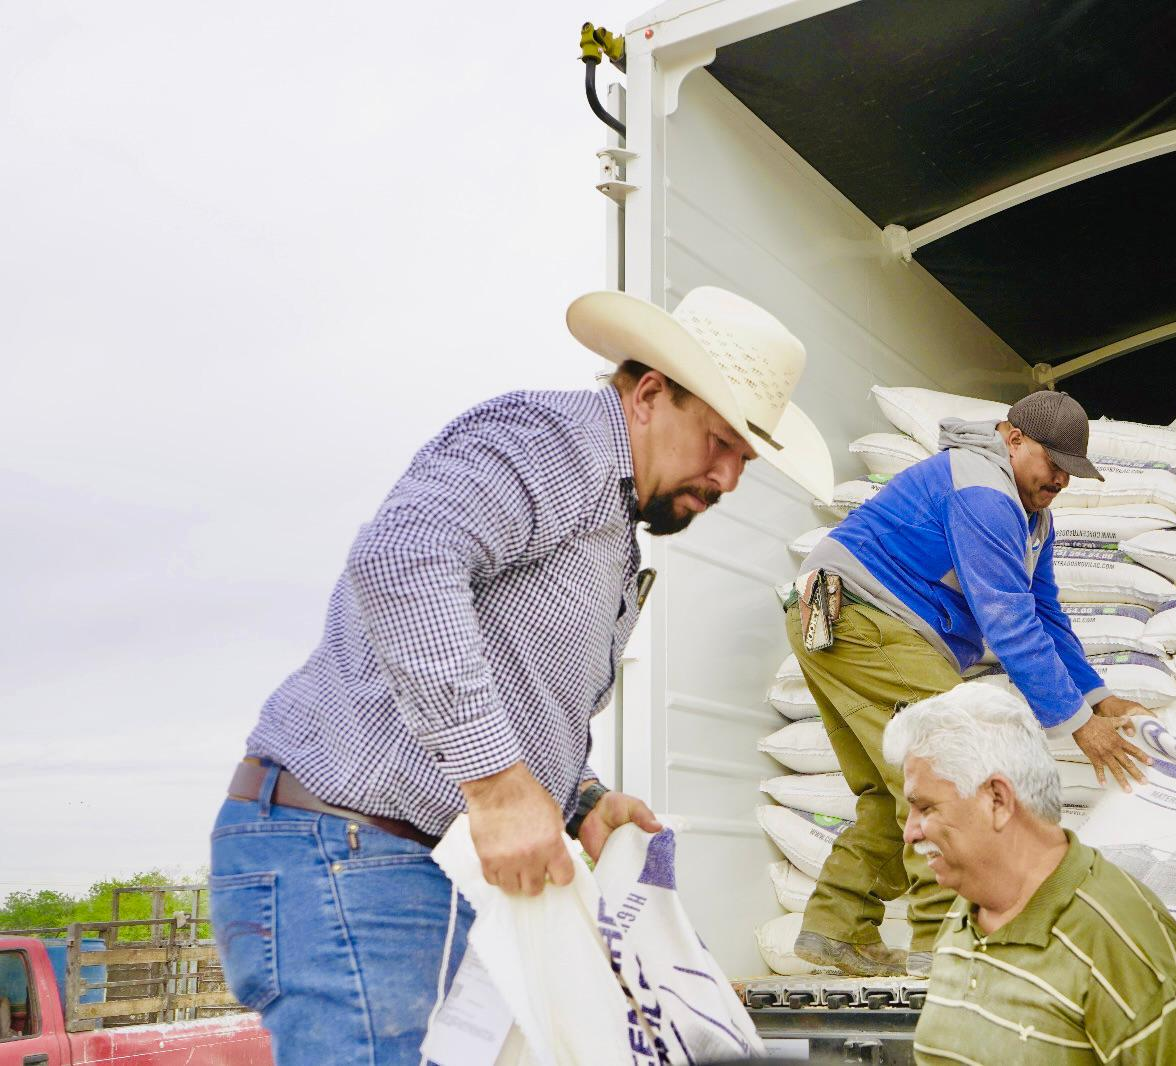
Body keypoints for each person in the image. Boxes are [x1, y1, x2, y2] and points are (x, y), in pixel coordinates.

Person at [207, 286, 833, 1064]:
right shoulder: (552, 440)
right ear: (647, 394)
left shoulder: (609, 522)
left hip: (395, 864)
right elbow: (404, 559)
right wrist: (499, 788)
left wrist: (582, 800)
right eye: (719, 442)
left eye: (746, 456)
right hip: (352, 855)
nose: (731, 477)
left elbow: (512, 685)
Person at [786, 389, 1153, 977]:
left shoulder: (1031, 516)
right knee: (951, 772)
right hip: (862, 618)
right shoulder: (983, 492)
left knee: (895, 787)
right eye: (1051, 463)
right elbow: (1008, 621)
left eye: (1070, 471)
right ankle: (947, 946)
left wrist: (1099, 698)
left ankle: (838, 928)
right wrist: (1083, 729)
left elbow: (1044, 612)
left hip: (840, 620)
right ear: (1011, 439)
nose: (1060, 479)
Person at [886, 682, 1176, 1066]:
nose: (910, 833)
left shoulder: (1116, 937)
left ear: (997, 799)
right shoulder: (965, 912)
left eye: (925, 807)